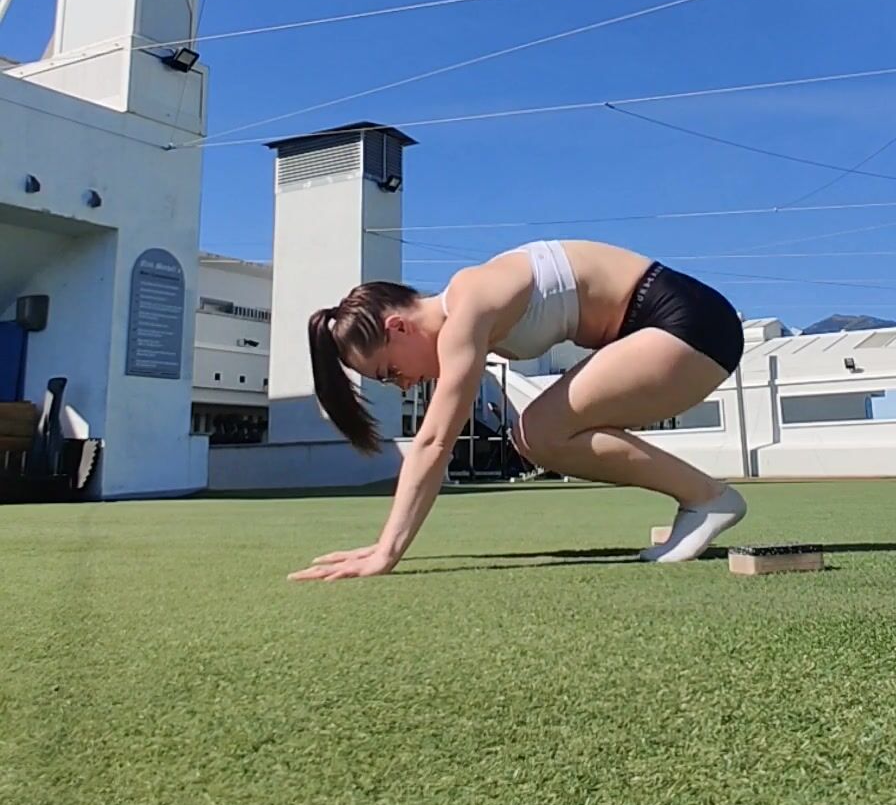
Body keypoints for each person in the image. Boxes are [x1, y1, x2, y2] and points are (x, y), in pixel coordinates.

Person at [287, 239, 746, 582]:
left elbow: (434, 442)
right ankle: (700, 499)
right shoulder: (468, 304)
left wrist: (385, 551)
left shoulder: (468, 308)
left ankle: (707, 498)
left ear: (398, 326)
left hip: (688, 325)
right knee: (537, 436)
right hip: (668, 330)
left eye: (390, 371)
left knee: (540, 432)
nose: (403, 384)